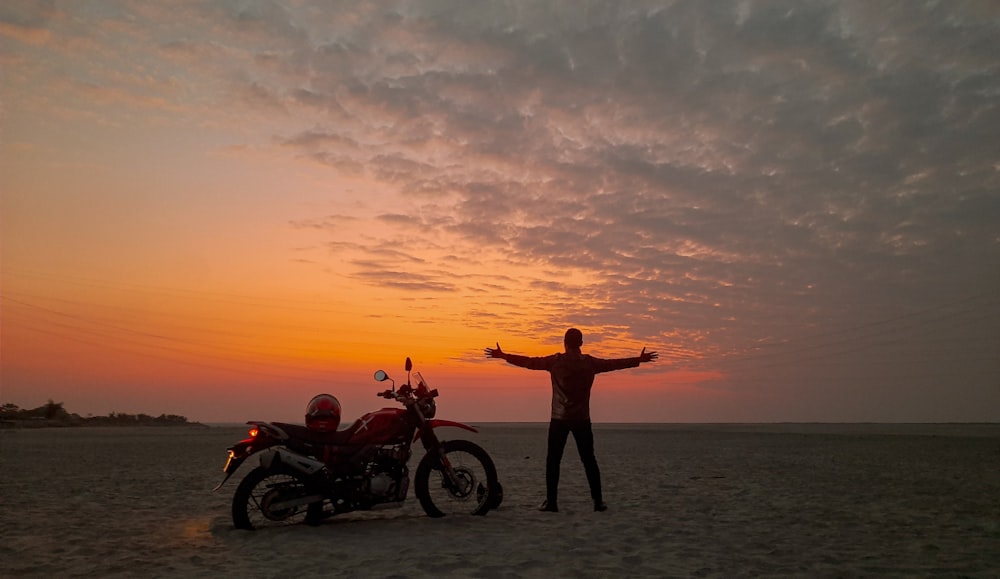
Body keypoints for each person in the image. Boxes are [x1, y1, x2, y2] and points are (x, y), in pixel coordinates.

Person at [485, 328, 657, 512]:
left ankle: (552, 502)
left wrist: (504, 356)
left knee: (553, 461)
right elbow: (614, 364)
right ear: (581, 343)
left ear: (564, 343)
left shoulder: (556, 361)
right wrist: (638, 360)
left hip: (559, 418)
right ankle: (598, 501)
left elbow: (529, 362)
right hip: (582, 419)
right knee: (589, 460)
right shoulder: (590, 363)